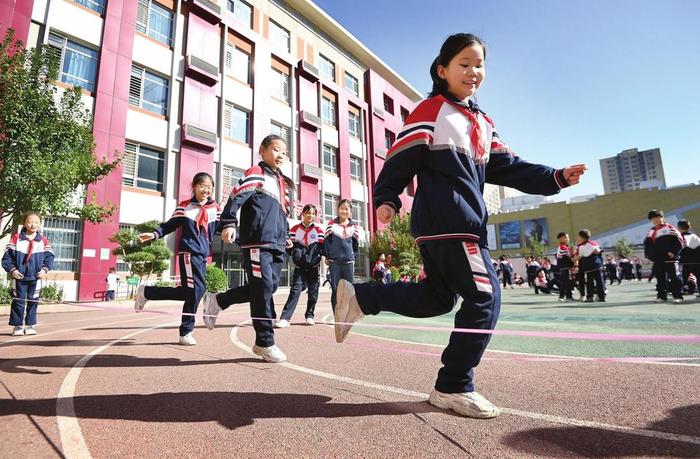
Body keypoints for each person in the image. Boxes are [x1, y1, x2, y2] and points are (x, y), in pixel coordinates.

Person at [329, 33, 586, 419]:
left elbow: (509, 167)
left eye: (479, 65)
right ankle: (452, 385)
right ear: (442, 70)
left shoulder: (482, 122)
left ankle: (363, 298)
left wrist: (556, 177)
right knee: (485, 298)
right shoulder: (431, 110)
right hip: (451, 222)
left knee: (438, 298)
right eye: (464, 64)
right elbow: (400, 158)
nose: (473, 71)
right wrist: (387, 198)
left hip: (458, 225)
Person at [199, 135, 294, 363]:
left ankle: (219, 301)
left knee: (267, 287)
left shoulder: (283, 183)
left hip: (277, 244)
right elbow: (236, 196)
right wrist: (229, 223)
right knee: (262, 288)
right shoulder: (256, 173)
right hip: (256, 242)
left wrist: (287, 235)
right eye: (275, 149)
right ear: (262, 150)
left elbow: (282, 213)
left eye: (284, 152)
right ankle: (264, 342)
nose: (280, 155)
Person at [133, 172, 221, 345]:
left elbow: (224, 227)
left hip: (202, 255)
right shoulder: (185, 207)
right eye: (202, 186)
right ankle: (185, 332)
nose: (206, 190)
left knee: (190, 292)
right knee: (197, 290)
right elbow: (169, 225)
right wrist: (154, 234)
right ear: (194, 186)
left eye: (209, 187)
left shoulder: (215, 209)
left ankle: (147, 292)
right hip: (188, 253)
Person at [2, 211, 55, 336]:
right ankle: (18, 326)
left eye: (36, 222)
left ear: (40, 224)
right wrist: (13, 270)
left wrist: (44, 270)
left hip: (36, 277)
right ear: (24, 223)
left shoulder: (43, 241)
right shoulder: (16, 239)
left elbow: (50, 257)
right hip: (19, 277)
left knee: (33, 301)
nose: (33, 224)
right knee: (18, 301)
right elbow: (7, 258)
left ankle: (30, 325)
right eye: (30, 221)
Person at [277, 204, 324, 327]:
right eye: (308, 213)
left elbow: (323, 249)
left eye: (313, 214)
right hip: (299, 267)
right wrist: (294, 252)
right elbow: (288, 248)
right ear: (302, 214)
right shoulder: (293, 229)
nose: (311, 215)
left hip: (314, 268)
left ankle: (310, 315)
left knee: (313, 292)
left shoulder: (319, 231)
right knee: (295, 291)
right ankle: (285, 318)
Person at [323, 199, 359, 310]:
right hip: (334, 263)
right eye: (342, 208)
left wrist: (353, 257)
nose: (344, 211)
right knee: (336, 290)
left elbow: (355, 245)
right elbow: (326, 242)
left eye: (347, 209)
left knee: (349, 290)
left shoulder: (354, 226)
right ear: (338, 210)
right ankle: (337, 316)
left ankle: (347, 315)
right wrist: (327, 256)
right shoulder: (331, 224)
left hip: (348, 263)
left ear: (350, 211)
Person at [644, 209, 684, 303]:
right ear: (651, 220)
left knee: (674, 278)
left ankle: (678, 296)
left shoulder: (670, 228)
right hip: (657, 260)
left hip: (670, 259)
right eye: (653, 218)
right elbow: (647, 245)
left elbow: (679, 241)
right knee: (660, 279)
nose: (656, 220)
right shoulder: (651, 231)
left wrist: (673, 252)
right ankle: (661, 296)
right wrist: (650, 256)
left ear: (662, 217)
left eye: (658, 217)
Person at [576, 229, 605, 302]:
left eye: (578, 237)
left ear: (581, 237)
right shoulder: (594, 243)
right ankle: (602, 297)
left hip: (588, 267)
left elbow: (579, 256)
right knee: (600, 281)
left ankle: (590, 297)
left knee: (590, 282)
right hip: (598, 265)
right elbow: (600, 249)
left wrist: (573, 259)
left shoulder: (581, 246)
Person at [677, 219, 700, 296]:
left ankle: (685, 290)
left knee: (684, 277)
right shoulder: (695, 236)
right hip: (697, 262)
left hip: (685, 262)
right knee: (699, 277)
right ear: (689, 226)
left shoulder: (680, 237)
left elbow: (678, 249)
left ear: (678, 228)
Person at [555, 232, 574, 301]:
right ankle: (569, 297)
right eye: (565, 237)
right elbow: (567, 257)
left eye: (567, 237)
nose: (567, 239)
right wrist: (573, 261)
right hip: (565, 267)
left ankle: (561, 296)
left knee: (563, 282)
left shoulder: (566, 247)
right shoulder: (562, 247)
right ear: (560, 239)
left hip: (563, 267)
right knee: (568, 281)